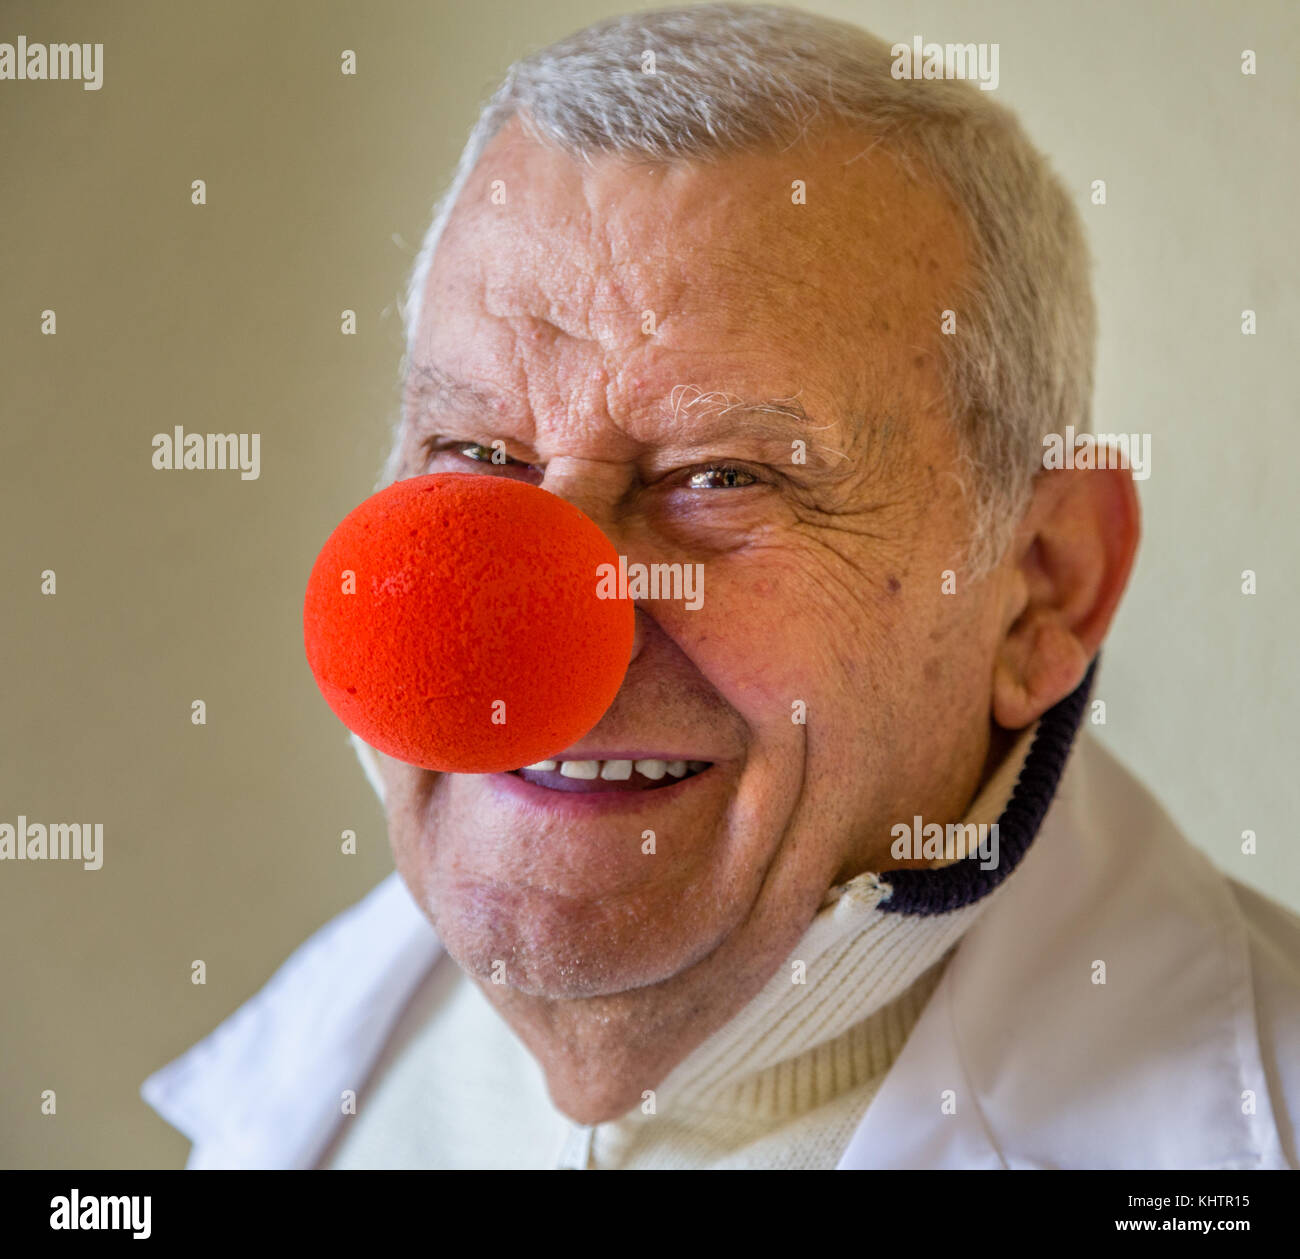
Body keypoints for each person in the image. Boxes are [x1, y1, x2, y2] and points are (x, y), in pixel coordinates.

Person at [142, 3, 1300, 1169]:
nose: (527, 632)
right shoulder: (324, 1078)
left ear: (1043, 585)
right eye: (480, 459)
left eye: (718, 476)